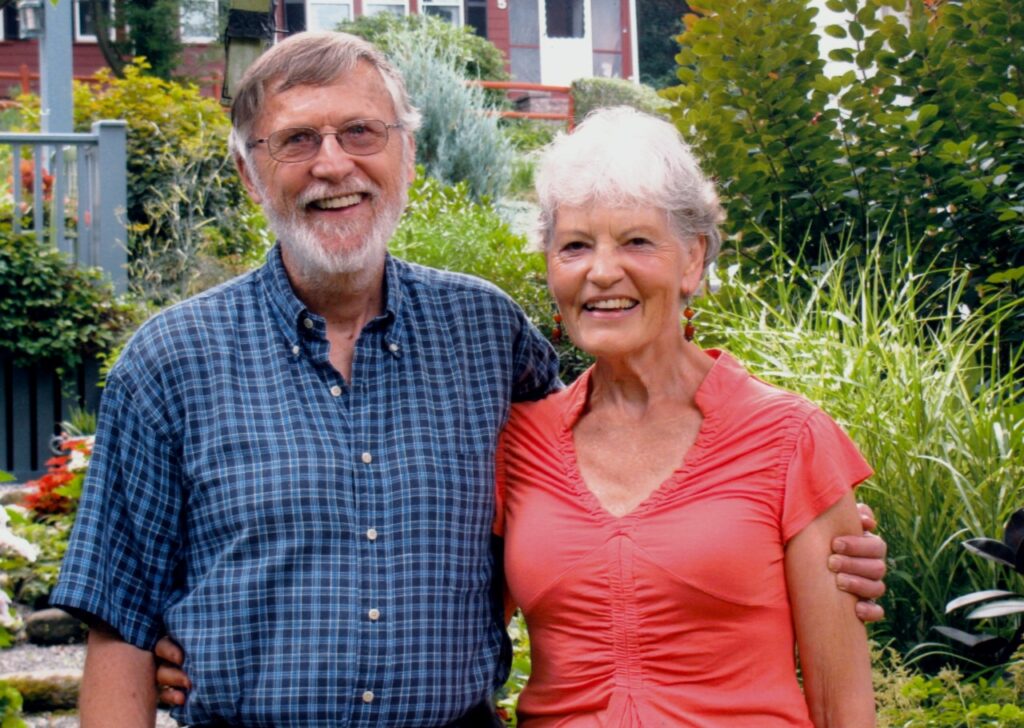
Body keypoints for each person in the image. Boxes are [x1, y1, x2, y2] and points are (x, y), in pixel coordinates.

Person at [50, 32, 885, 728]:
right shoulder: (167, 365)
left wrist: (808, 534)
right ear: (247, 171)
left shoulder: (487, 339)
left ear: (406, 154)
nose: (333, 164)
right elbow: (120, 624)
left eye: (361, 133)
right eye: (297, 140)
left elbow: (633, 473)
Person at [493, 106, 876, 725]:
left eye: (637, 240)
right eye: (575, 246)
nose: (602, 271)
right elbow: (451, 620)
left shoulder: (789, 439)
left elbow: (843, 704)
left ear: (693, 259)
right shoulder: (519, 443)